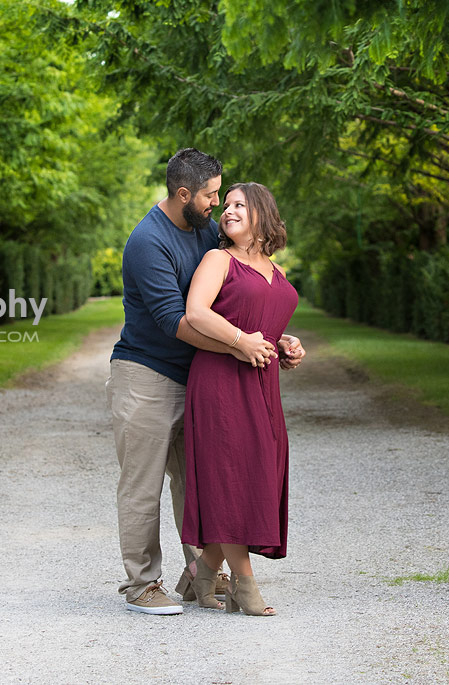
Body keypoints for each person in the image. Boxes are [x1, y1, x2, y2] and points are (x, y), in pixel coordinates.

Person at [108, 150, 305, 615]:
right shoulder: (147, 242)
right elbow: (175, 320)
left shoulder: (203, 233)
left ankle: (199, 570)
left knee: (198, 480)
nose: (218, 203)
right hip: (147, 372)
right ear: (183, 194)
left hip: (198, 373)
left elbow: (235, 304)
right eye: (211, 195)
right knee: (143, 481)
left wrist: (272, 342)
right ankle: (142, 585)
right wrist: (243, 345)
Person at [180, 182, 299, 616]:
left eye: (238, 205)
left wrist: (285, 345)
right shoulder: (218, 259)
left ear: (262, 215)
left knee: (258, 472)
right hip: (220, 381)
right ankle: (245, 588)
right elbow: (197, 312)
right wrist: (240, 340)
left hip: (263, 383)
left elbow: (260, 321)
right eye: (225, 205)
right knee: (232, 476)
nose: (227, 211)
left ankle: (201, 573)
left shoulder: (274, 268)